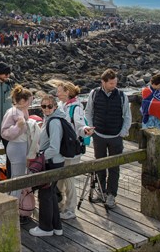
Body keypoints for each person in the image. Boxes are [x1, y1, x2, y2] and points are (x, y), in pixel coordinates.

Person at [85, 69, 132, 209]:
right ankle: (101, 191)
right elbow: (88, 112)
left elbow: (127, 116)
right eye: (111, 83)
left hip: (115, 136)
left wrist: (123, 132)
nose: (114, 85)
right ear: (103, 82)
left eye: (115, 83)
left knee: (114, 167)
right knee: (100, 165)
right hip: (98, 135)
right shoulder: (94, 94)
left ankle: (111, 195)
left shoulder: (122, 96)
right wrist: (91, 128)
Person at [56, 80, 94, 220]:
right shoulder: (61, 105)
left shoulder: (76, 107)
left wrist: (86, 130)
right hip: (61, 148)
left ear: (67, 92)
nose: (57, 94)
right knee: (60, 178)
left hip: (72, 149)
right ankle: (60, 205)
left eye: (59, 91)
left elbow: (80, 125)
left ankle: (70, 209)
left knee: (69, 180)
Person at [29, 95, 65, 237]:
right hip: (53, 161)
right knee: (50, 194)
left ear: (55, 107)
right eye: (43, 106)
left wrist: (40, 157)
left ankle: (45, 228)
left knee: (45, 194)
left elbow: (54, 148)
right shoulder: (49, 119)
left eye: (49, 106)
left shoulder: (54, 122)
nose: (46, 109)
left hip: (52, 162)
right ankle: (57, 226)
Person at [0, 85, 33, 198]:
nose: (31, 102)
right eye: (30, 100)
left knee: (19, 178)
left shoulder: (22, 110)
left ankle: (17, 206)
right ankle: (13, 207)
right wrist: (17, 127)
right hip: (17, 147)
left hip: (22, 146)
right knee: (17, 180)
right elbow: (4, 132)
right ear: (23, 101)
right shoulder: (12, 112)